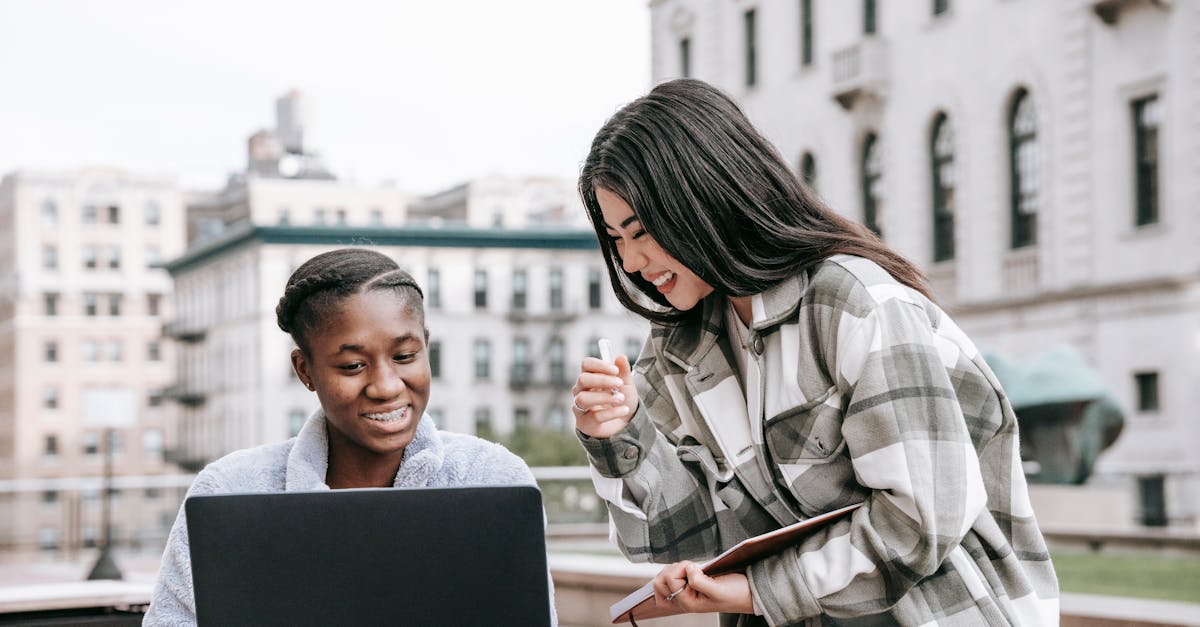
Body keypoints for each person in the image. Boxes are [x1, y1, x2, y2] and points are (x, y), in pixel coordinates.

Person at [571, 78, 1059, 626]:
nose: (630, 262)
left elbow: (921, 520)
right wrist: (619, 434)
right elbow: (672, 535)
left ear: (703, 198)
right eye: (616, 239)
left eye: (641, 231)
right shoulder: (677, 347)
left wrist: (753, 590)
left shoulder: (855, 304)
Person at [145, 248, 549, 625]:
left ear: (425, 347)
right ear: (305, 371)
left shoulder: (492, 477)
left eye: (405, 357)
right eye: (353, 365)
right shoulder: (229, 489)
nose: (386, 386)